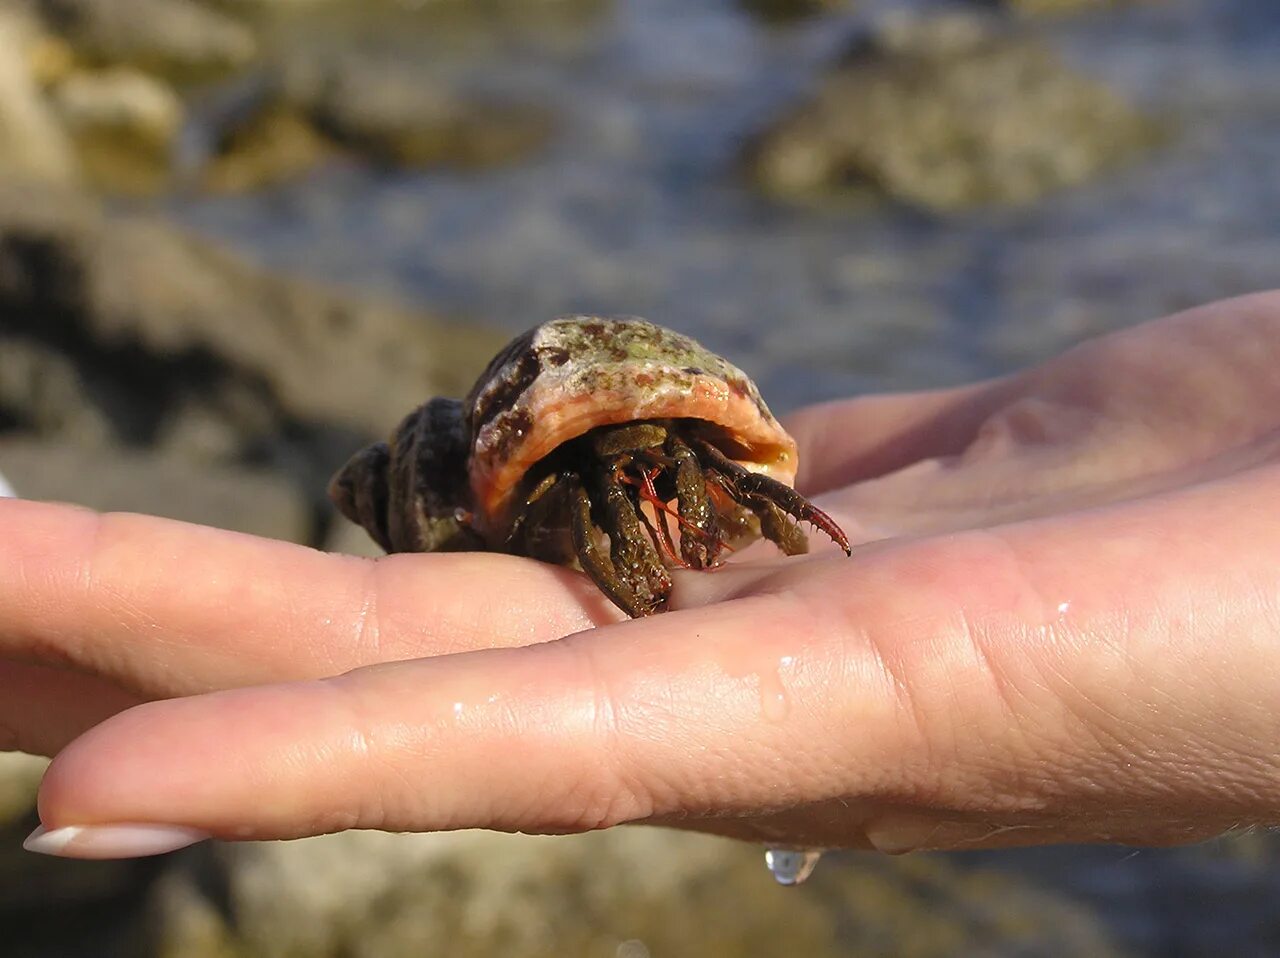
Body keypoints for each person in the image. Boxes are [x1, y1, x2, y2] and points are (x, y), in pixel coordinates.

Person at [6, 291, 1280, 860]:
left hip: (619, 429)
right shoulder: (574, 472)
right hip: (545, 466)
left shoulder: (680, 453)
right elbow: (611, 470)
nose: (666, 486)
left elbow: (676, 459)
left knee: (662, 464)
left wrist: (767, 509)